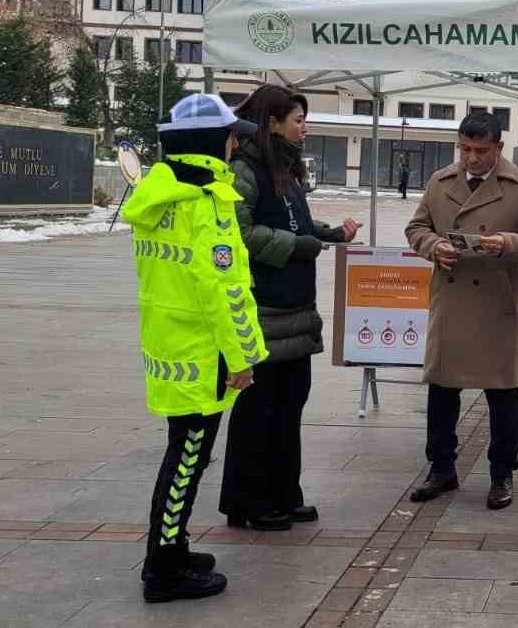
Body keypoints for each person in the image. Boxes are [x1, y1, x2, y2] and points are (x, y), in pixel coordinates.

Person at [121, 94, 267, 603]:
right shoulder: (204, 204)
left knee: (182, 452)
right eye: (229, 137)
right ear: (209, 144)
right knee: (187, 459)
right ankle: (163, 568)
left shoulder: (161, 194)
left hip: (170, 345)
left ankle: (173, 547)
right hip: (205, 350)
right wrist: (244, 356)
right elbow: (222, 289)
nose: (233, 147)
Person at [218, 85, 360, 532]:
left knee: (289, 404)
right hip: (264, 308)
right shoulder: (245, 169)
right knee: (260, 407)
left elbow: (291, 220)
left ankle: (284, 493)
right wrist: (297, 246)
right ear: (272, 122)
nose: (305, 126)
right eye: (297, 119)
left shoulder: (285, 168)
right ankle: (248, 501)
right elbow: (237, 234)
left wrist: (329, 233)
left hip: (295, 305)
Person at [404, 112, 518, 510]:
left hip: (496, 303)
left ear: (498, 148)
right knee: (442, 390)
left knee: (502, 395)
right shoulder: (439, 181)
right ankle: (441, 469)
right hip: (452, 302)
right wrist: (435, 247)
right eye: (465, 149)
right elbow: (416, 229)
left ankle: (502, 473)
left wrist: (505, 243)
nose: (471, 158)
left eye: (480, 151)